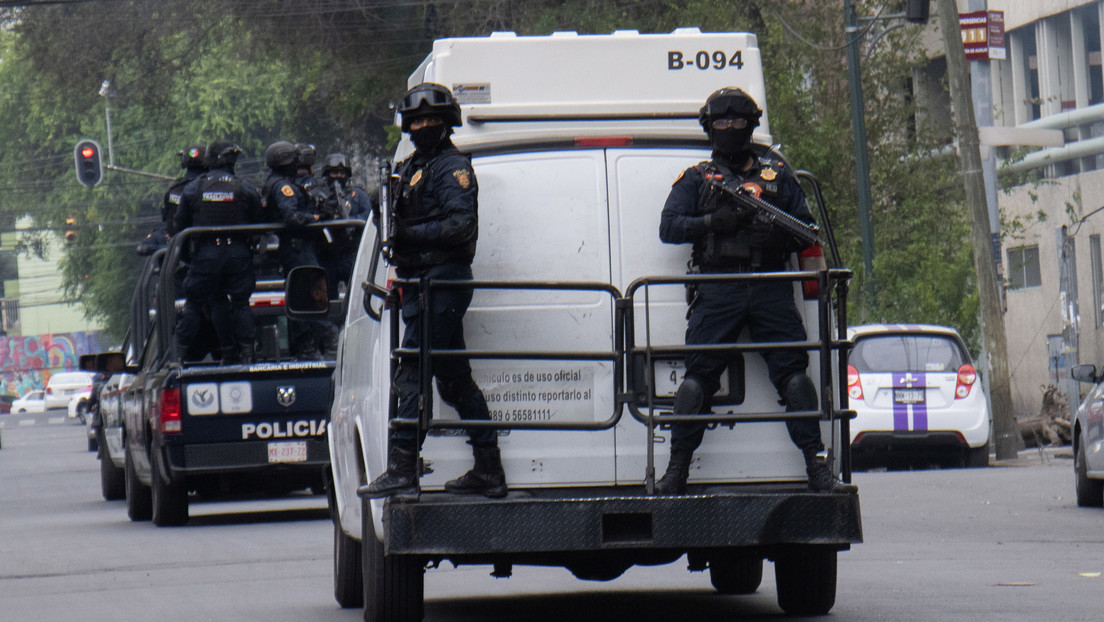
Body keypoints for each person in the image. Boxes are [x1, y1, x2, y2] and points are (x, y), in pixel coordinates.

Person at [657, 87, 856, 495]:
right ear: (710, 128)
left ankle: (818, 467)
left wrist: (775, 232)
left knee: (795, 377)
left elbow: (806, 232)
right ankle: (676, 471)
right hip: (719, 288)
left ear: (751, 126)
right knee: (697, 379)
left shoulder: (776, 176)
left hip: (770, 286)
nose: (729, 129)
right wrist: (714, 223)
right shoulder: (697, 178)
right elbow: (669, 227)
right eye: (721, 123)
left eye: (737, 122)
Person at [363, 82, 506, 499]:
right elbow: (391, 219)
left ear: (446, 123)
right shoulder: (410, 166)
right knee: (454, 381)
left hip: (440, 283)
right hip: (420, 284)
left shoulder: (451, 166)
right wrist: (383, 205)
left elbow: (460, 224)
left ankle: (404, 467)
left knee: (412, 372)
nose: (423, 126)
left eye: (431, 120)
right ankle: (489, 469)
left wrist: (408, 231)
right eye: (417, 120)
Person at [174, 140, 264, 365]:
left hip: (205, 256)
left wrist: (188, 258)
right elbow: (260, 221)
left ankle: (177, 357)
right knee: (241, 303)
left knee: (194, 305)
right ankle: (247, 354)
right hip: (238, 254)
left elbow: (179, 225)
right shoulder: (244, 187)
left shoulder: (193, 188)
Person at [263, 140, 326, 359]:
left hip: (299, 248)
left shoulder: (281, 182)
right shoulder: (283, 186)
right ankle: (309, 345)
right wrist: (316, 218)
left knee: (306, 295)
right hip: (297, 249)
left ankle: (309, 344)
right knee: (310, 295)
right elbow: (291, 217)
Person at [316, 152, 372, 299]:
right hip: (327, 255)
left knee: (358, 296)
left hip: (350, 253)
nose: (339, 176)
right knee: (328, 299)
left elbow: (368, 215)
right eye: (335, 172)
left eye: (342, 172)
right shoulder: (319, 195)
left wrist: (348, 219)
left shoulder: (358, 194)